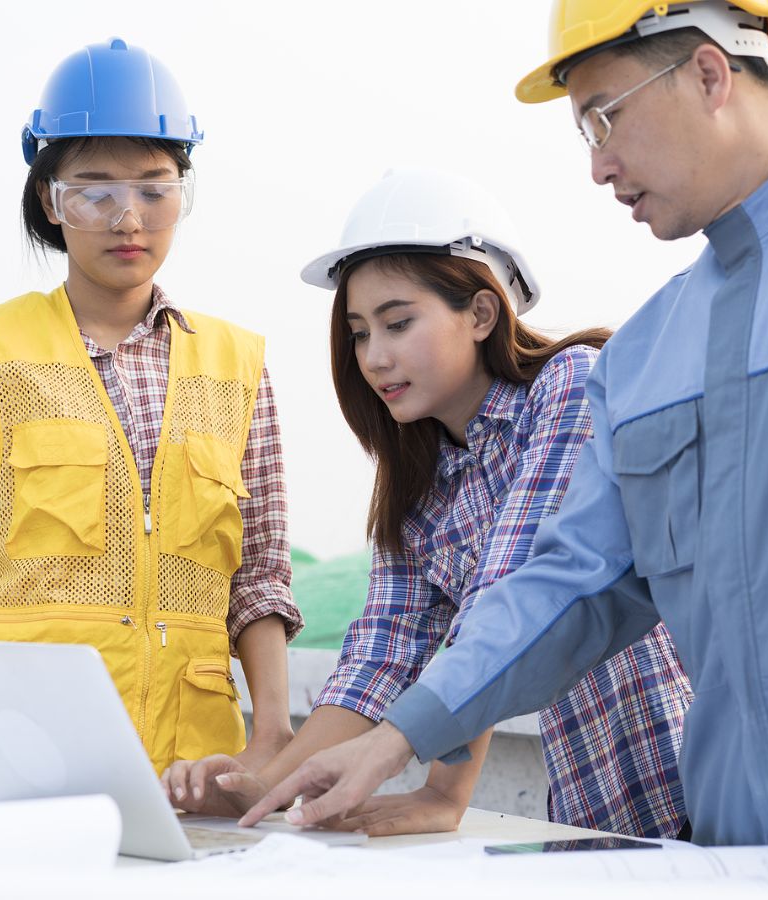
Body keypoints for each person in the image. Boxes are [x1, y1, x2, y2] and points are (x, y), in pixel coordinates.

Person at [241, 0, 768, 880]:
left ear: (710, 73)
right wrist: (396, 737)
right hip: (736, 866)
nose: (597, 165)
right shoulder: (645, 357)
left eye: (606, 115)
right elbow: (563, 586)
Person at [163, 169, 692, 838]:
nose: (374, 357)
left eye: (398, 322)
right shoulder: (419, 482)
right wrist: (261, 787)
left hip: (690, 784)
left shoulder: (568, 389)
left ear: (480, 314)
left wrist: (446, 790)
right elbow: (381, 655)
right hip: (592, 811)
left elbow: (513, 599)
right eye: (358, 333)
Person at [0, 38, 302, 796]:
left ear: (184, 191)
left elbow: (262, 576)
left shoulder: (239, 366)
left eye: (154, 188)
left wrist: (271, 736)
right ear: (51, 199)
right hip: (19, 761)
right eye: (95, 191)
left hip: (196, 775)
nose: (128, 218)